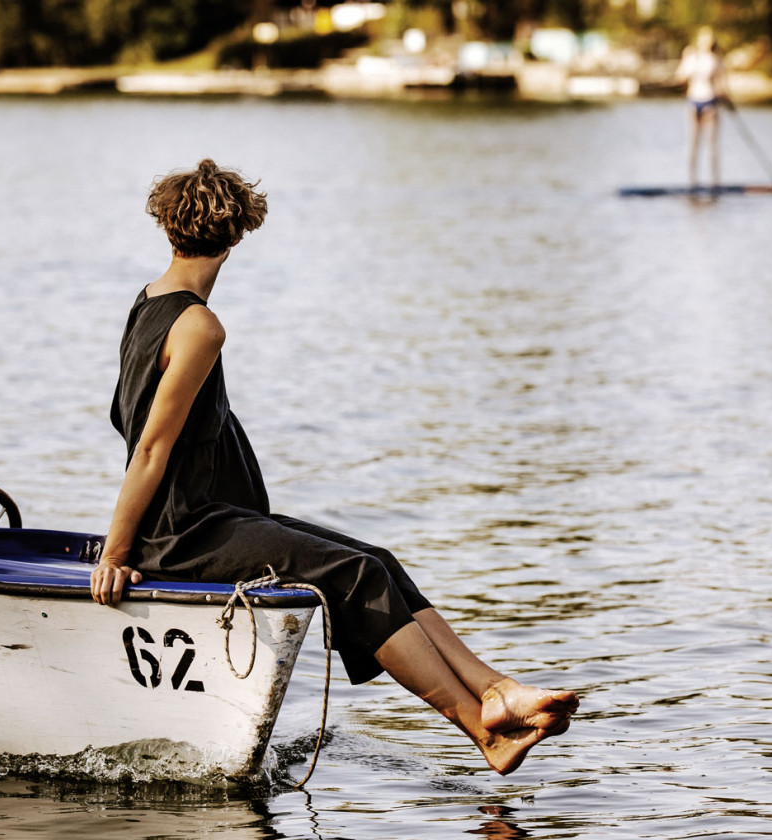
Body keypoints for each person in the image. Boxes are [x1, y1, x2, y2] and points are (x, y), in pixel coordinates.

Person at [90, 160, 579, 775]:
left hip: (203, 517)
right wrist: (116, 554)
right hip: (182, 532)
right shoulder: (200, 326)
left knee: (380, 561)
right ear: (238, 236)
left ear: (166, 229)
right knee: (356, 576)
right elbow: (151, 449)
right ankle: (481, 730)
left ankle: (494, 690)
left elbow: (131, 424)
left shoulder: (148, 303)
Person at [675, 26, 729, 189]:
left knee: (709, 144)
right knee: (694, 143)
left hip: (708, 103)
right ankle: (693, 180)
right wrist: (684, 58)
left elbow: (722, 84)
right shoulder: (694, 58)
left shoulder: (713, 59)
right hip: (695, 102)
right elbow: (680, 78)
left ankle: (714, 180)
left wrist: (726, 97)